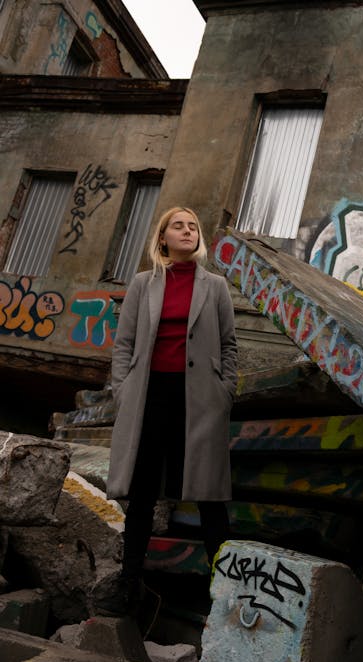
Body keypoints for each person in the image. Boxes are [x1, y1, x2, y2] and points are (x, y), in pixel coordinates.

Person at [106, 206, 238, 614]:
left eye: (193, 226)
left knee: (208, 495)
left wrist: (224, 392)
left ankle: (224, 592)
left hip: (199, 399)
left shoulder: (215, 286)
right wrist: (123, 391)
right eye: (178, 226)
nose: (187, 231)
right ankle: (129, 584)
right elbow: (124, 343)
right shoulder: (144, 284)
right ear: (162, 238)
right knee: (143, 492)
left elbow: (229, 345)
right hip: (149, 396)